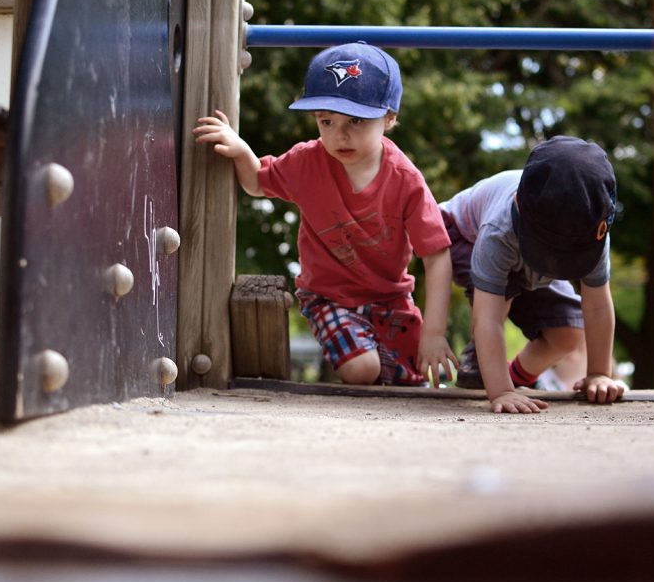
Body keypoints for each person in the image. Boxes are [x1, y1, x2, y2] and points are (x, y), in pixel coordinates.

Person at [193, 42, 457, 386]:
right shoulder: (307, 162)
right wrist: (242, 151)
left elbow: (436, 255)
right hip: (328, 296)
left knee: (422, 378)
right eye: (326, 120)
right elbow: (258, 181)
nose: (339, 135)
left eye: (357, 120)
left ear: (389, 118)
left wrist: (435, 333)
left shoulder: (406, 181)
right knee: (363, 369)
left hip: (390, 297)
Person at [439, 136, 625, 413]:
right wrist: (500, 393)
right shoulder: (498, 231)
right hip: (461, 235)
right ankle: (484, 365)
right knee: (505, 291)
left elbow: (597, 306)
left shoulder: (591, 230)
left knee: (568, 333)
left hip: (529, 253)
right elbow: (487, 317)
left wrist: (599, 373)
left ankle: (513, 376)